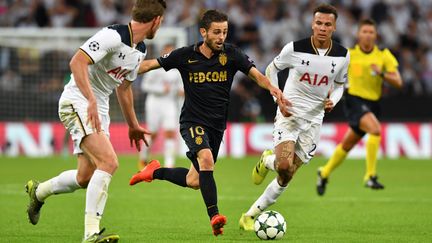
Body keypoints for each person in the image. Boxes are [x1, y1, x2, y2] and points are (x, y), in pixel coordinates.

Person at [129, 10, 288, 236]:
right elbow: (149, 65)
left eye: (224, 31)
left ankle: (154, 171)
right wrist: (121, 69)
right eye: (216, 32)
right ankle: (215, 216)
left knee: (194, 180)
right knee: (206, 160)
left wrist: (272, 88)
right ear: (203, 32)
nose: (221, 37)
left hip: (216, 126)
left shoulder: (231, 54)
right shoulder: (185, 55)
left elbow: (255, 75)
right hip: (192, 121)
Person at [25, 0, 166, 242]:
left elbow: (124, 89)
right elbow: (77, 61)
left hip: (97, 107)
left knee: (85, 176)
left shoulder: (139, 48)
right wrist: (90, 99)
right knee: (109, 162)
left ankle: (39, 192)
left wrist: (132, 124)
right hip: (78, 100)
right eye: (161, 22)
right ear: (156, 20)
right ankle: (90, 234)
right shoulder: (112, 35)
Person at [238, 4, 350, 231]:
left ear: (334, 27)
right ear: (312, 24)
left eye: (327, 24)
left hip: (315, 120)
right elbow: (271, 69)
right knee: (283, 165)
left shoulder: (342, 55)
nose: (322, 28)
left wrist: (334, 100)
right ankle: (269, 161)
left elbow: (340, 85)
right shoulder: (294, 49)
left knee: (287, 175)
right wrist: (278, 98)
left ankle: (249, 216)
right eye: (318, 23)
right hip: (289, 114)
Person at [316, 19, 403, 195]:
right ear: (358, 34)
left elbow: (398, 82)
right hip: (353, 100)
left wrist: (382, 74)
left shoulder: (383, 56)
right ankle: (370, 176)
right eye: (364, 31)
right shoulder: (349, 54)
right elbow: (332, 75)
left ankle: (324, 172)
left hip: (373, 104)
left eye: (371, 32)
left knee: (348, 144)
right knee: (375, 130)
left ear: (376, 35)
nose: (368, 35)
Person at [139, 43, 183, 169]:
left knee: (170, 132)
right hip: (154, 103)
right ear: (163, 53)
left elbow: (180, 87)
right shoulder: (155, 67)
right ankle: (143, 157)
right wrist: (161, 89)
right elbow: (144, 86)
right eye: (168, 52)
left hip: (170, 103)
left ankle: (169, 163)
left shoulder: (178, 70)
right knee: (152, 133)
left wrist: (182, 92)